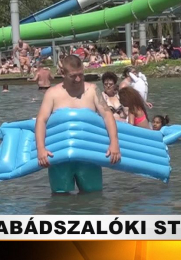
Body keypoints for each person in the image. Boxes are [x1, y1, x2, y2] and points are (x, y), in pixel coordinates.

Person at [35, 55, 120, 191]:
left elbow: (107, 115)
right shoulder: (52, 94)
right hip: (60, 156)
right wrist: (41, 149)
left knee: (93, 197)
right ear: (63, 73)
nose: (78, 79)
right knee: (60, 199)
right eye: (73, 76)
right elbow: (41, 120)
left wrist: (114, 143)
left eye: (81, 74)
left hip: (89, 155)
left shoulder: (92, 90)